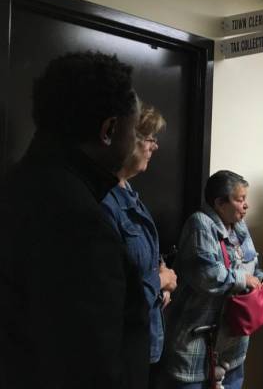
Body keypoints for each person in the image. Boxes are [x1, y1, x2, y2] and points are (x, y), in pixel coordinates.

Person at [0, 51, 150, 388]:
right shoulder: (79, 225)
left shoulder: (16, 184)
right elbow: (91, 367)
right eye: (135, 130)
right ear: (110, 129)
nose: (137, 142)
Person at [162, 170, 263, 389]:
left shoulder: (239, 226)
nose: (246, 205)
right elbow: (208, 276)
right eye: (240, 200)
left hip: (233, 346)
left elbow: (252, 266)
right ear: (220, 203)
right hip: (197, 345)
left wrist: (262, 279)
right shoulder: (200, 224)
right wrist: (245, 280)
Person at [101, 104, 178, 384]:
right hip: (118, 351)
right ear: (127, 140)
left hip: (145, 336)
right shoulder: (102, 201)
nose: (155, 147)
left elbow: (144, 253)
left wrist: (162, 274)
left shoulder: (128, 190)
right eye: (150, 139)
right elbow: (110, 296)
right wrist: (159, 282)